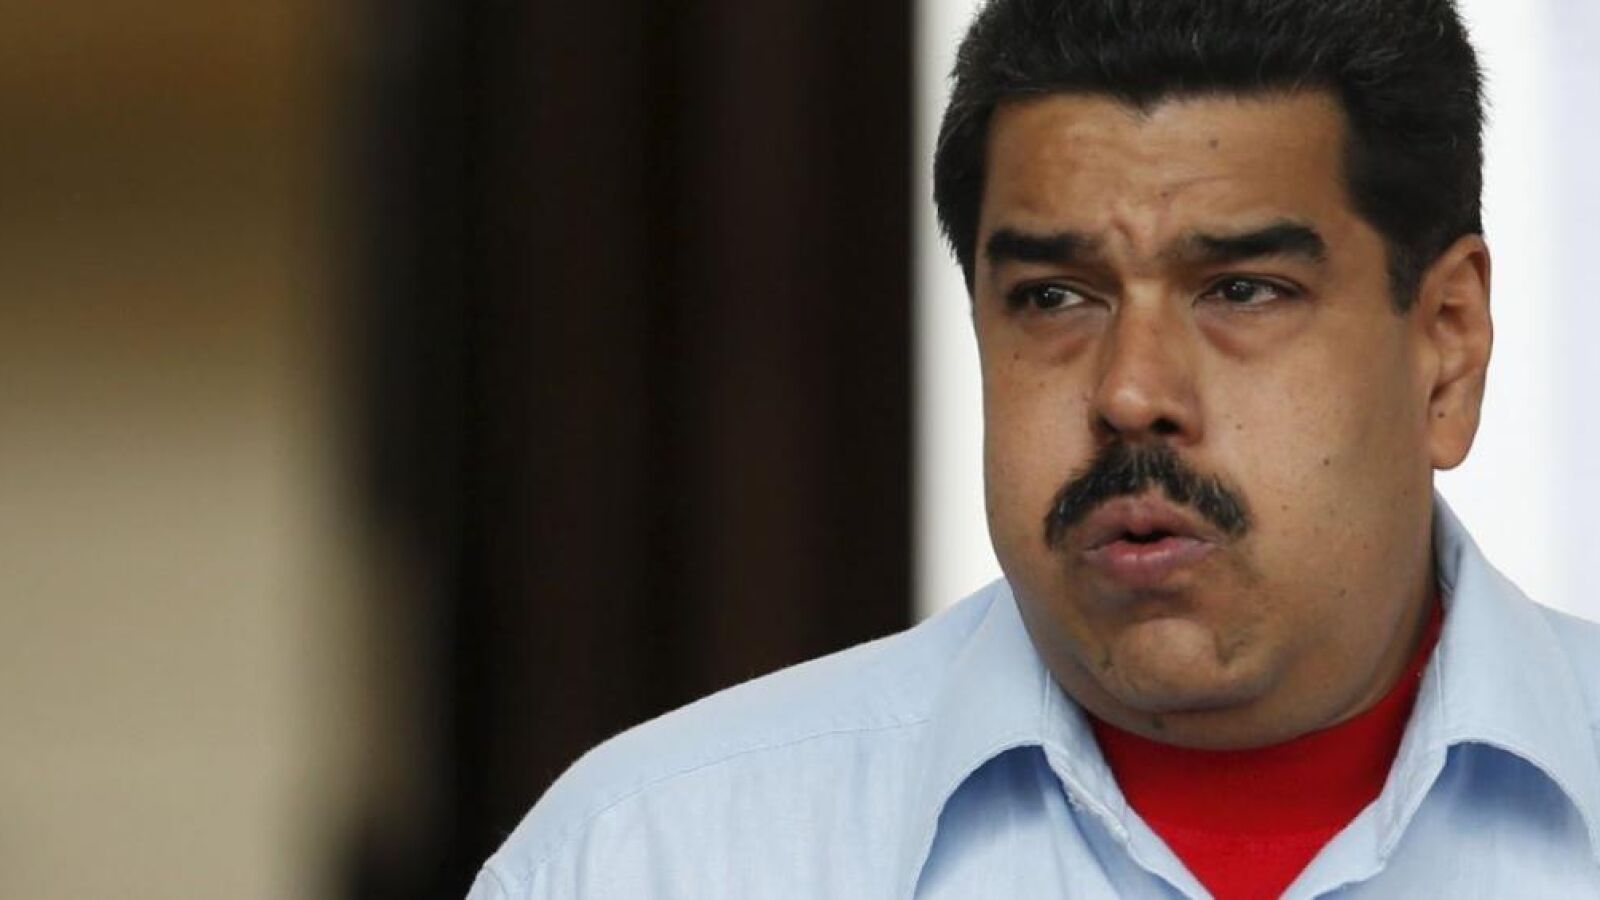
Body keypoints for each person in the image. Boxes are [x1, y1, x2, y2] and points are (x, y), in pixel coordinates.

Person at [468, 1, 1600, 897]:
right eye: (1055, 297)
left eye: (1242, 290)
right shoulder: (653, 861)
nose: (1131, 392)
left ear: (1446, 349)